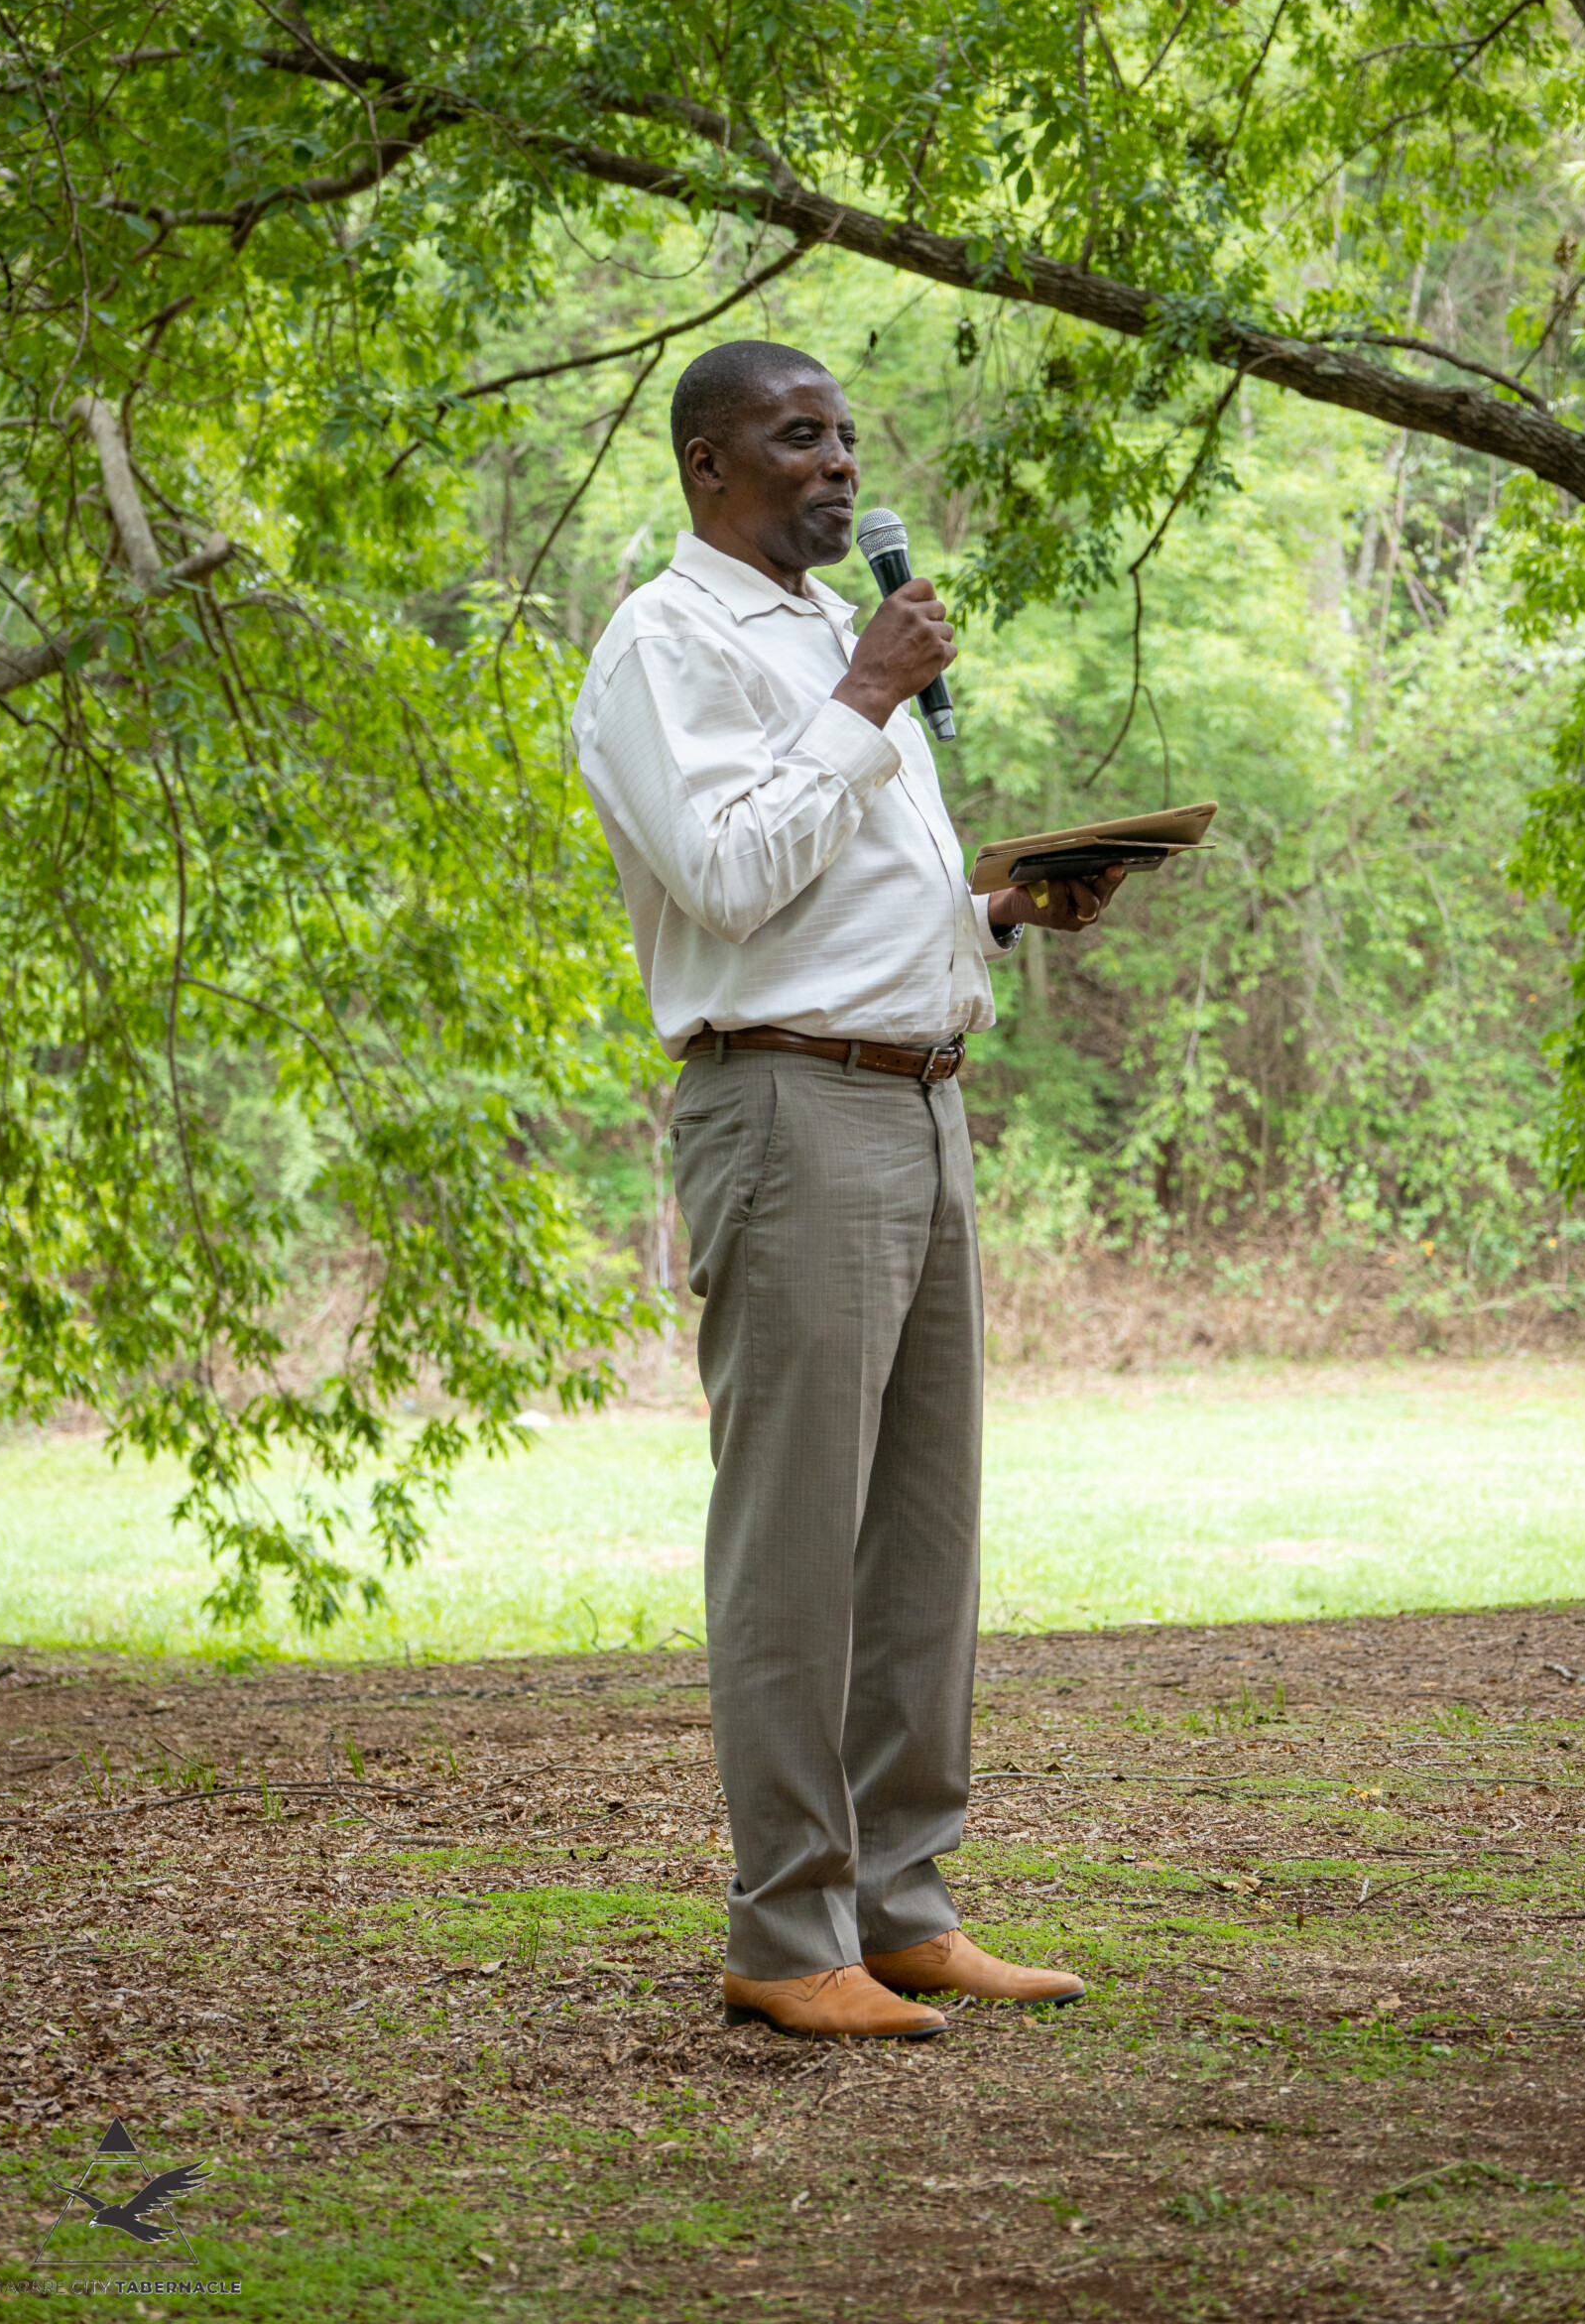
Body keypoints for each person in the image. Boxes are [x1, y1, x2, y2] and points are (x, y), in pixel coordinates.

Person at [571, 338, 1128, 2041]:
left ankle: (904, 1908)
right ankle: (784, 1930)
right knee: (797, 1543)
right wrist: (868, 700)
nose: (837, 464)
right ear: (708, 467)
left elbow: (852, 898)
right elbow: (730, 879)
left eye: (845, 438)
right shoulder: (664, 644)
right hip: (787, 1111)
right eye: (796, 437)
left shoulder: (830, 634)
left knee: (920, 1542)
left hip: (922, 1100)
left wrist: (999, 910)